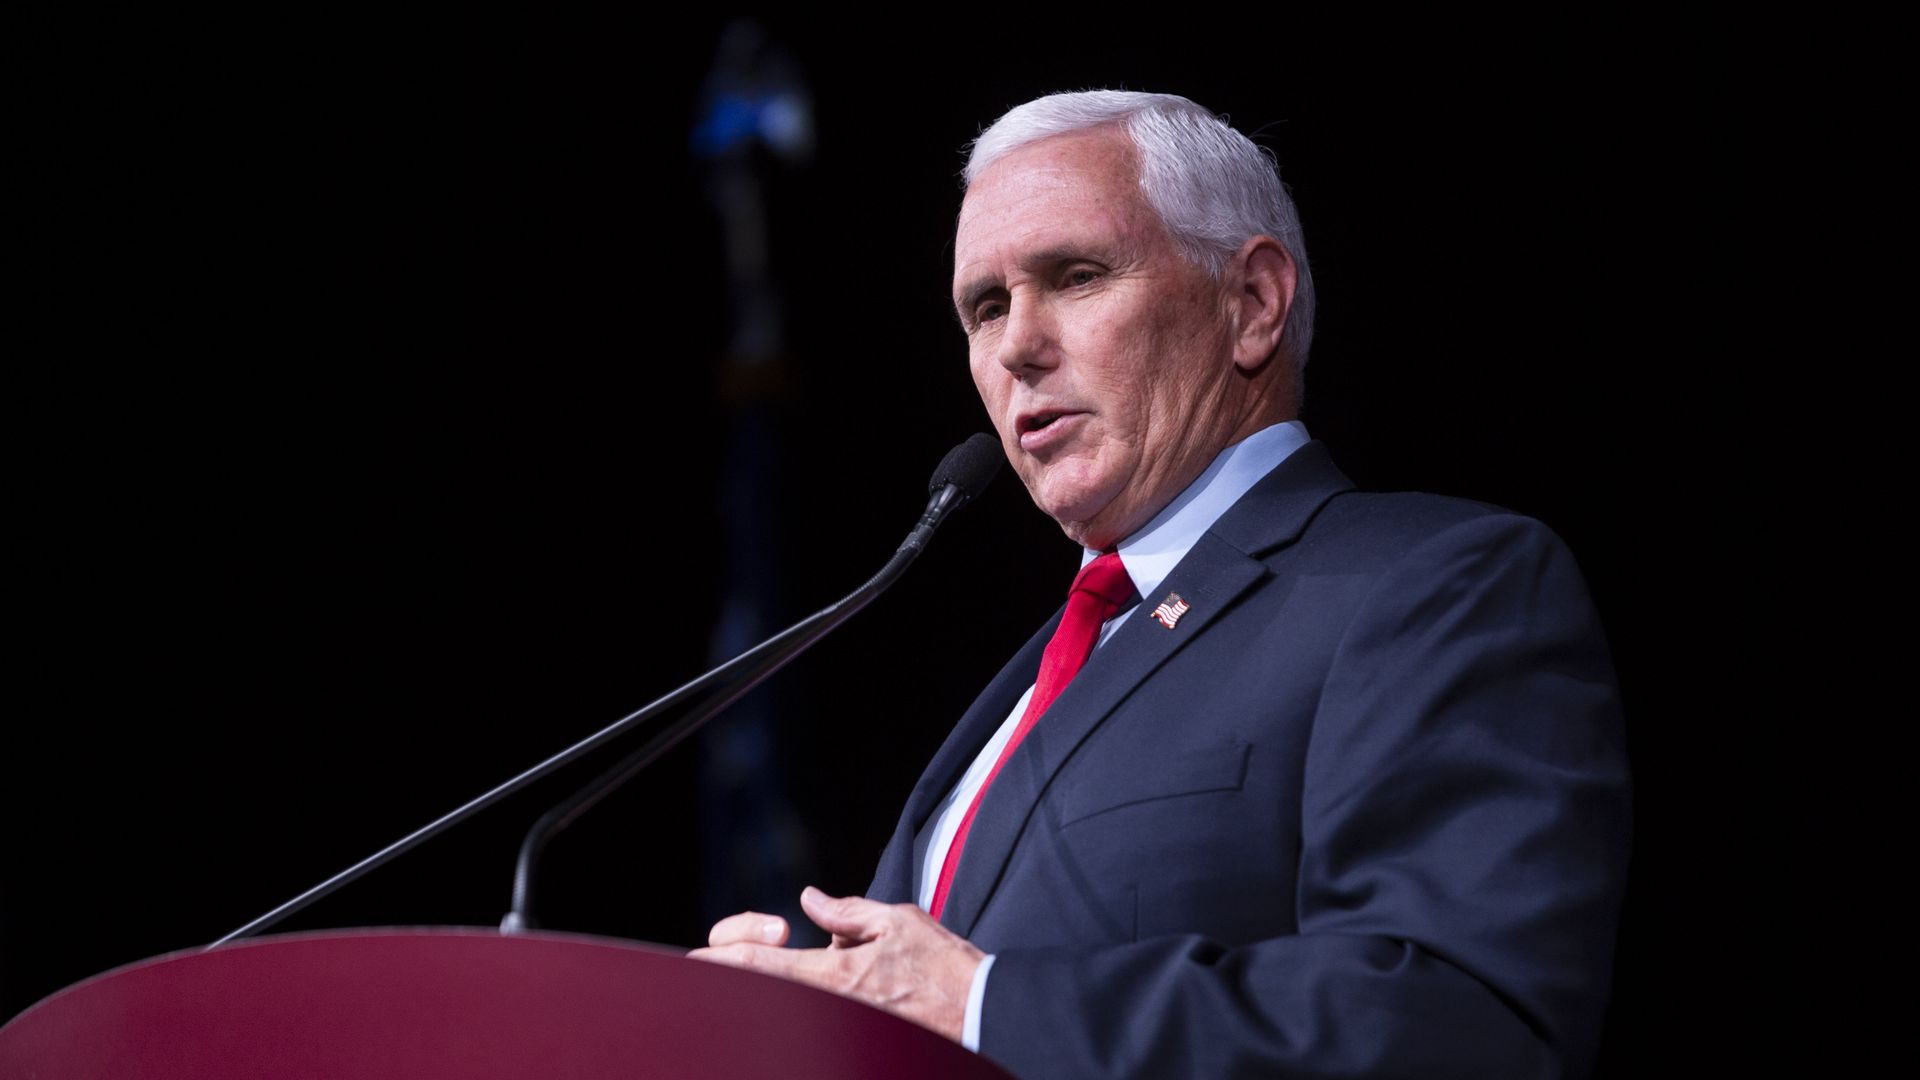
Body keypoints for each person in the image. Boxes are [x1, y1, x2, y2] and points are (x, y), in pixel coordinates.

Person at [690, 90, 1630, 1080]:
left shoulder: (1435, 589)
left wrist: (984, 1005)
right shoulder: (1015, 702)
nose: (1017, 345)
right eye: (986, 306)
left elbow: (1458, 1023)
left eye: (1077, 276)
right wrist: (807, 1020)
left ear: (1252, 303)